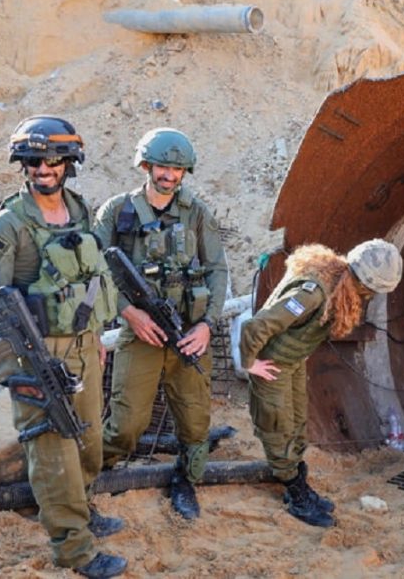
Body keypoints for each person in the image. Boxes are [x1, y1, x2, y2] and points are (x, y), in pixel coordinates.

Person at [0, 115, 127, 578]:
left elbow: (89, 277)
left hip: (82, 345)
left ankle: (82, 509)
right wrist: (13, 372)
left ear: (69, 163)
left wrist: (95, 336)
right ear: (22, 165)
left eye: (53, 161)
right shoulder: (9, 224)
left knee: (88, 441)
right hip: (37, 353)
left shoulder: (80, 211)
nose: (43, 169)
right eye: (33, 162)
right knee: (52, 451)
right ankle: (74, 549)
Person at [94, 127, 229, 520]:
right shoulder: (117, 211)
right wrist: (128, 312)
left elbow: (217, 269)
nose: (169, 175)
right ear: (146, 166)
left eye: (177, 169)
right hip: (141, 334)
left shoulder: (197, 213)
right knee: (126, 424)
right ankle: (89, 474)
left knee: (195, 423)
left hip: (188, 333)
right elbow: (95, 271)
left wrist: (206, 325)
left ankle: (186, 480)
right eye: (162, 167)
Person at [239, 239, 403, 527]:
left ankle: (298, 480)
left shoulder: (336, 281)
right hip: (272, 366)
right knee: (278, 428)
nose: (369, 296)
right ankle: (295, 493)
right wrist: (249, 363)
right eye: (370, 290)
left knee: (298, 425)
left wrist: (298, 351)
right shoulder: (313, 293)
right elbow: (257, 325)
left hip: (290, 362)